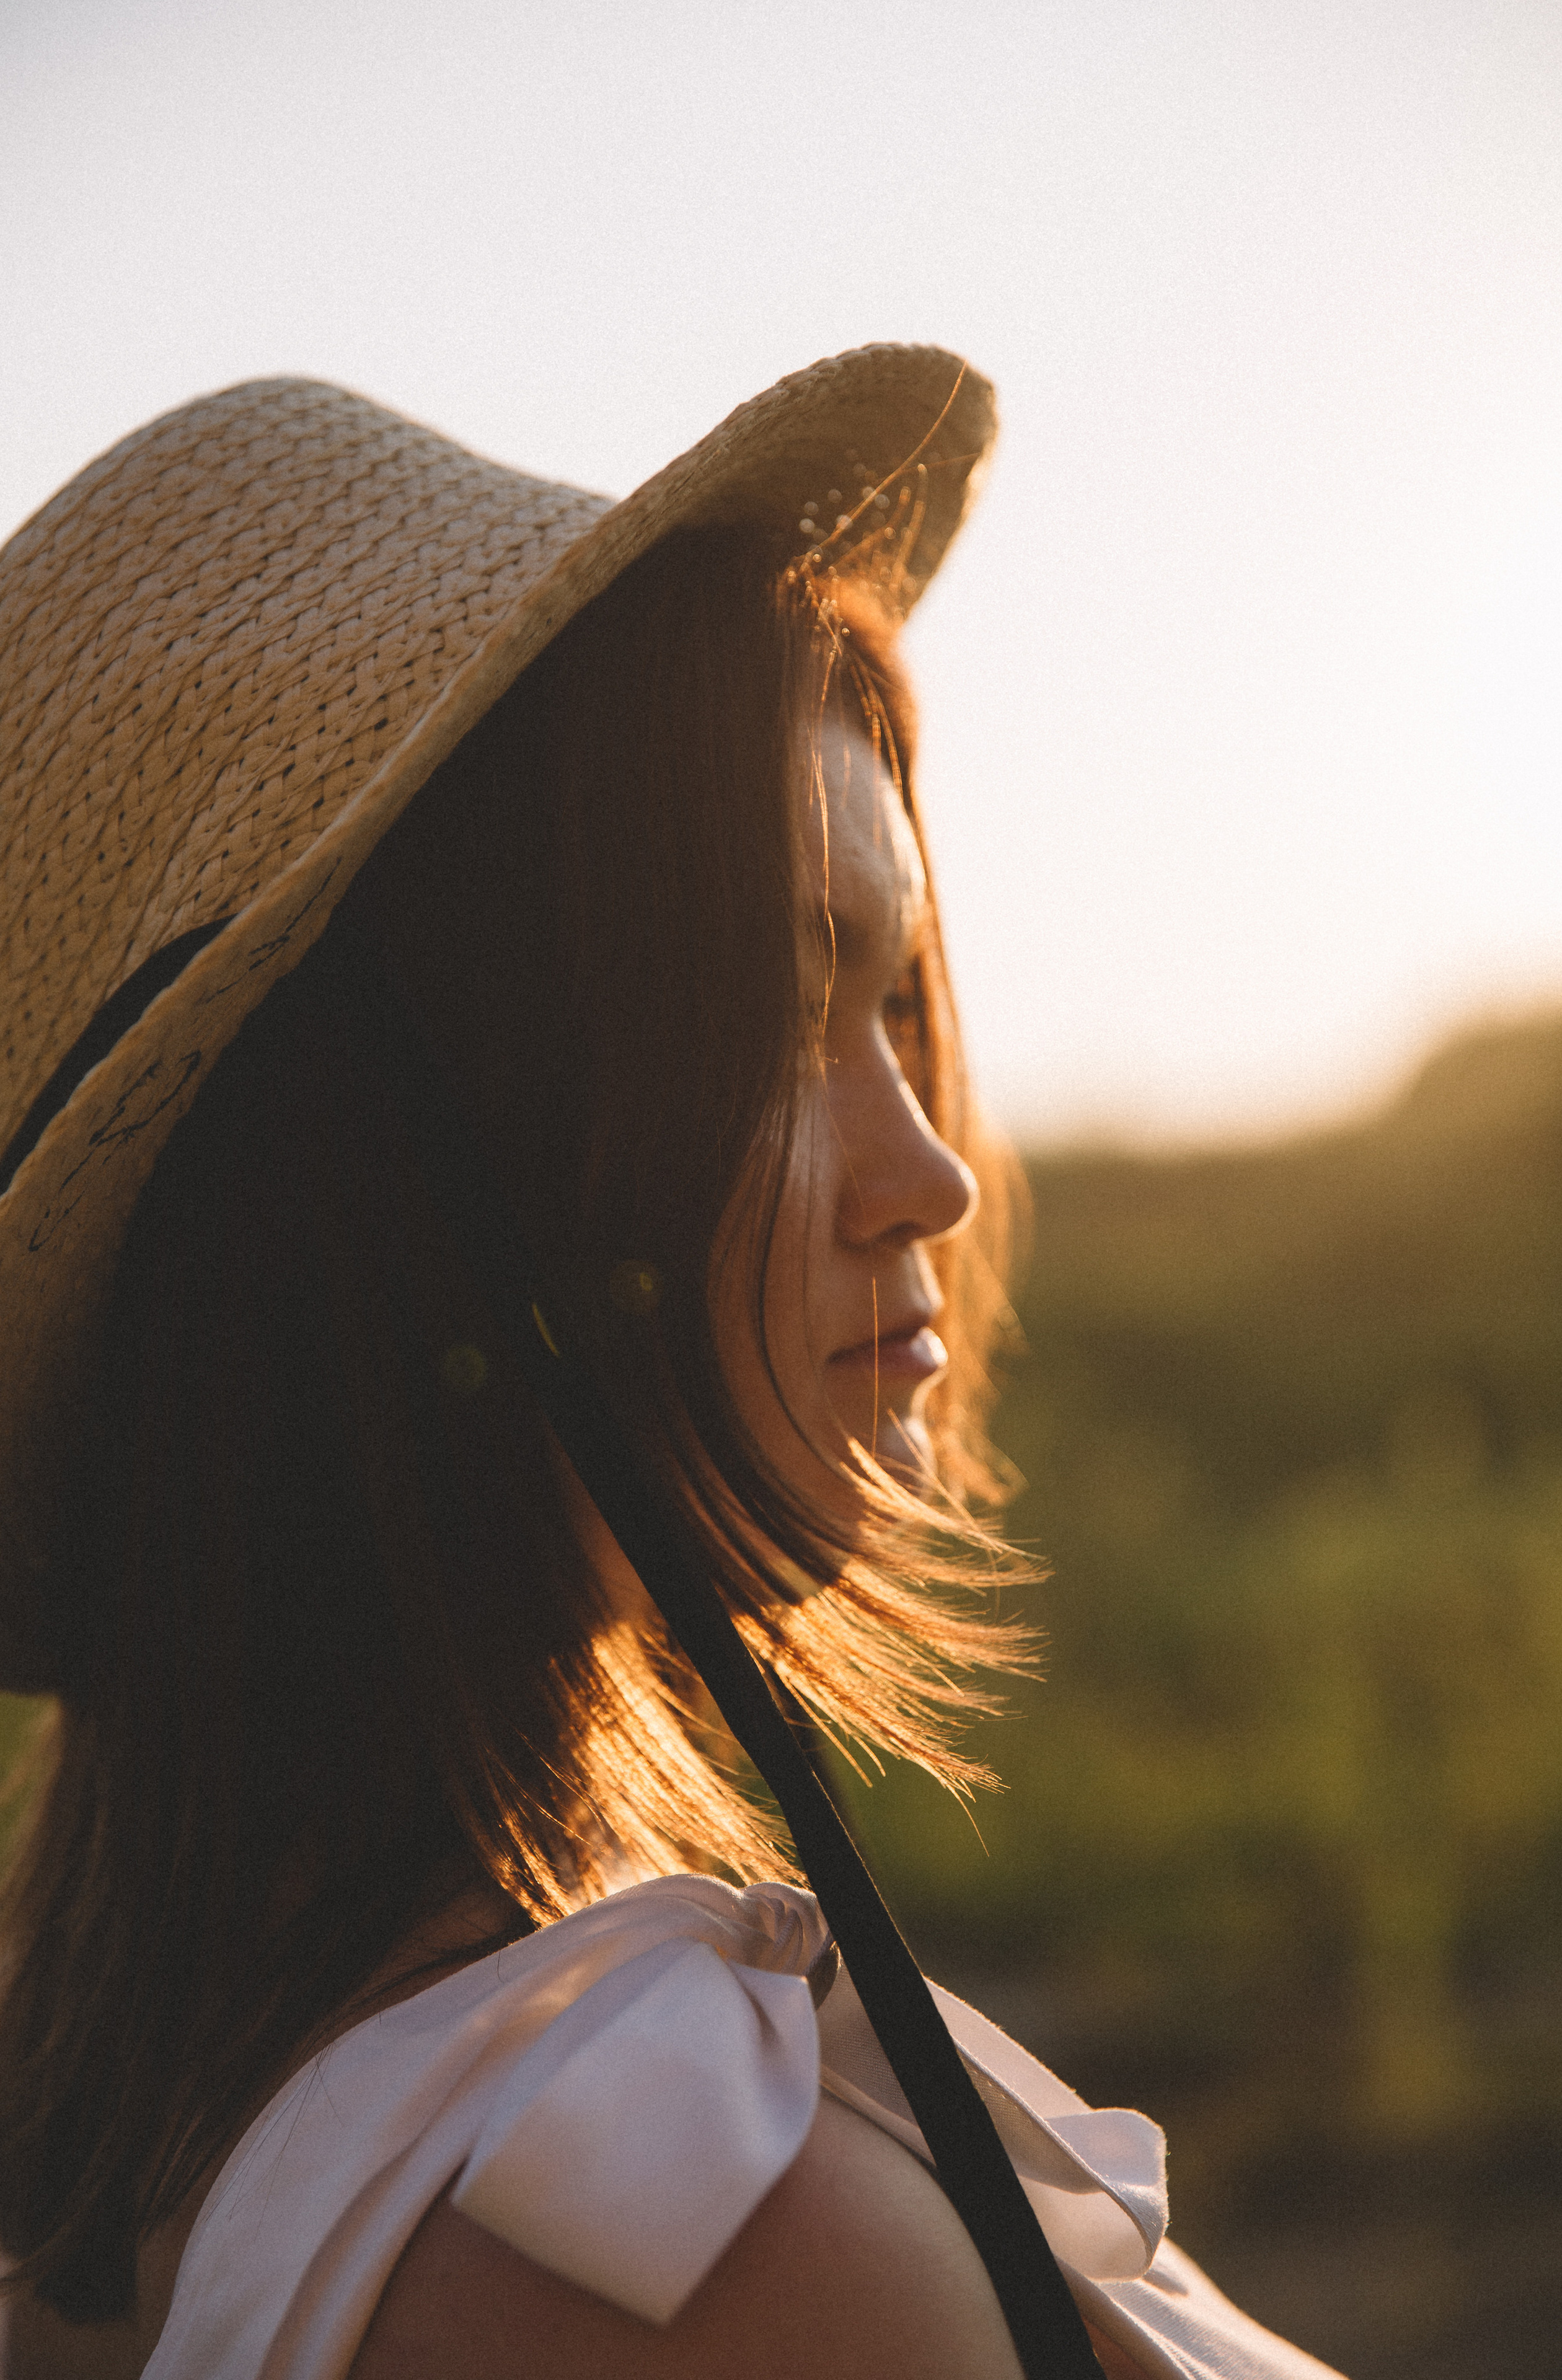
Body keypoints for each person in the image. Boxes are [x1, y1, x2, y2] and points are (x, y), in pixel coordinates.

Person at [0, 351, 1341, 2379]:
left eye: (899, 1006)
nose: (931, 1174)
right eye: (780, 1019)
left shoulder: (188, 2102)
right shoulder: (677, 2255)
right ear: (405, 1193)